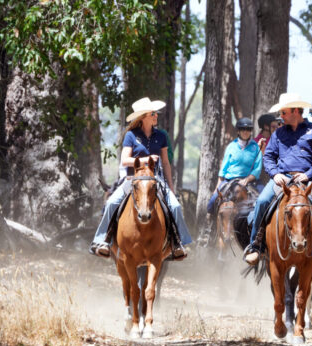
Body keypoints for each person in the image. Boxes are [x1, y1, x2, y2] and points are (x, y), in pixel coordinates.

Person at [243, 93, 312, 268]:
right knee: (261, 201)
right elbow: (269, 157)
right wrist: (275, 174)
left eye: (284, 112)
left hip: (309, 179)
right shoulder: (279, 133)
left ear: (296, 111)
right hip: (283, 178)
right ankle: (255, 246)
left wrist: (309, 173)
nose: (281, 116)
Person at [90, 97, 192, 260]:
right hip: (133, 178)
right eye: (153, 113)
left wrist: (170, 187)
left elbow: (165, 163)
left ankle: (178, 243)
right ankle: (103, 240)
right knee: (111, 203)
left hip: (155, 178)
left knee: (175, 206)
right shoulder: (131, 135)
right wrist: (147, 159)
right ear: (144, 116)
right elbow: (125, 160)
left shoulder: (161, 136)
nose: (156, 116)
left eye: (156, 113)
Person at [207, 117, 263, 217]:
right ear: (238, 131)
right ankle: (209, 227)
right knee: (212, 201)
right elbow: (223, 170)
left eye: (248, 129)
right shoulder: (231, 147)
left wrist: (247, 179)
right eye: (243, 129)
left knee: (264, 200)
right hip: (230, 180)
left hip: (251, 181)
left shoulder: (256, 147)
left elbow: (257, 169)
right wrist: (217, 187)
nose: (245, 132)